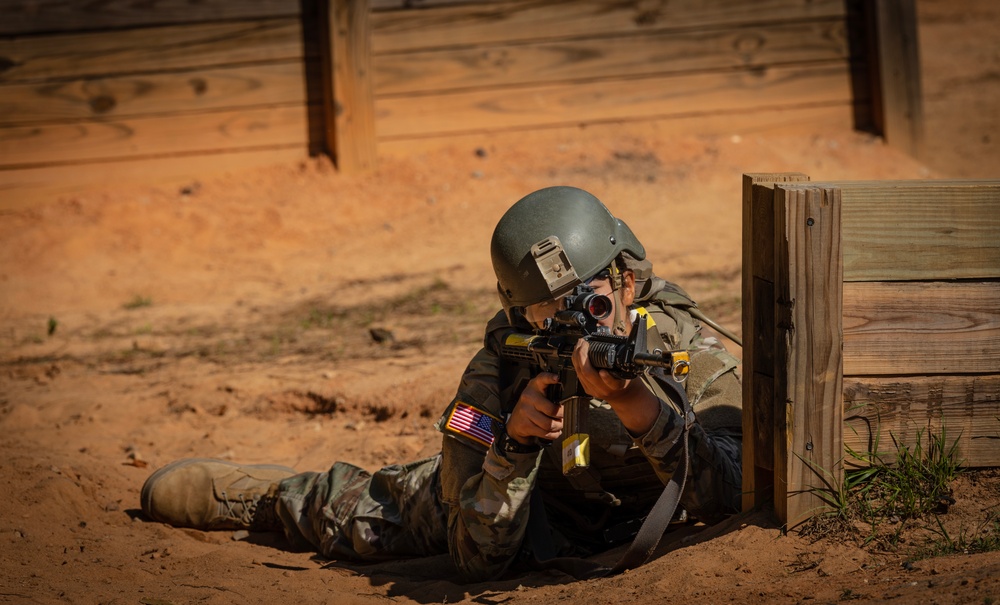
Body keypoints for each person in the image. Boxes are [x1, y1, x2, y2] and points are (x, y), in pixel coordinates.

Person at [141, 186, 743, 582]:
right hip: (533, 508)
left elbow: (733, 490)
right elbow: (475, 556)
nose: (573, 326)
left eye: (591, 302)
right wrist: (514, 449)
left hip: (634, 516)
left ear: (628, 281)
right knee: (362, 514)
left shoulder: (682, 347)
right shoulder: (502, 366)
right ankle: (268, 496)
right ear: (520, 317)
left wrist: (638, 406)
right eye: (546, 316)